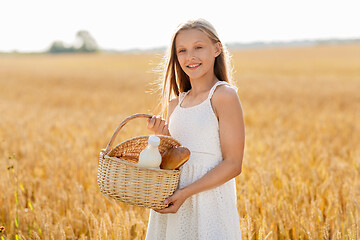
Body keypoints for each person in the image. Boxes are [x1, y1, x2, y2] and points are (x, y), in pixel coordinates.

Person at [145, 18, 245, 240]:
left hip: (209, 203)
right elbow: (174, 159)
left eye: (198, 47)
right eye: (182, 50)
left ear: (217, 48)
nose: (190, 56)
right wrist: (162, 138)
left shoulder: (223, 96)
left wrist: (185, 193)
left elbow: (233, 164)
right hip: (173, 203)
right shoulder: (175, 104)